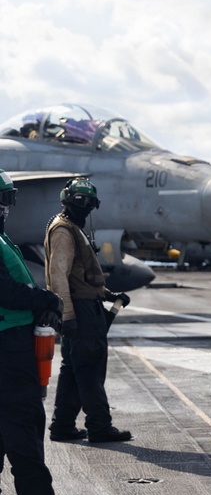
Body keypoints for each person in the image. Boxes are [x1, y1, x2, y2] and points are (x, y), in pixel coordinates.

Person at [0, 169, 75, 495]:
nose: (7, 209)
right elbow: (6, 292)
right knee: (23, 419)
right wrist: (46, 299)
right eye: (4, 200)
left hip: (9, 338)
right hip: (7, 344)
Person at [45, 177, 132, 444]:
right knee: (90, 369)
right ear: (67, 200)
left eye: (88, 203)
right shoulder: (64, 231)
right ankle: (99, 426)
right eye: (79, 201)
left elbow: (80, 275)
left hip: (85, 306)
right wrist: (68, 315)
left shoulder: (73, 229)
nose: (84, 207)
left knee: (74, 369)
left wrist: (108, 295)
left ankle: (62, 426)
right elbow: (59, 276)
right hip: (80, 312)